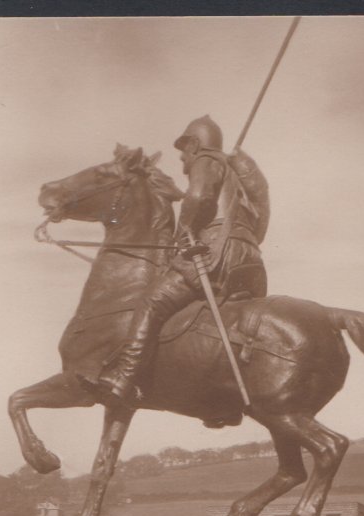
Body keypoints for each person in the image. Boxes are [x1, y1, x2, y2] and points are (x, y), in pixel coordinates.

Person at [93, 115, 268, 407]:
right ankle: (220, 402)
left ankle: (124, 376)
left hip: (218, 255)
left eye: (183, 153)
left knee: (152, 300)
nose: (183, 162)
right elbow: (261, 209)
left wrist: (182, 233)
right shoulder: (239, 175)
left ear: (195, 145)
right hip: (250, 262)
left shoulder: (205, 160)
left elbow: (198, 197)